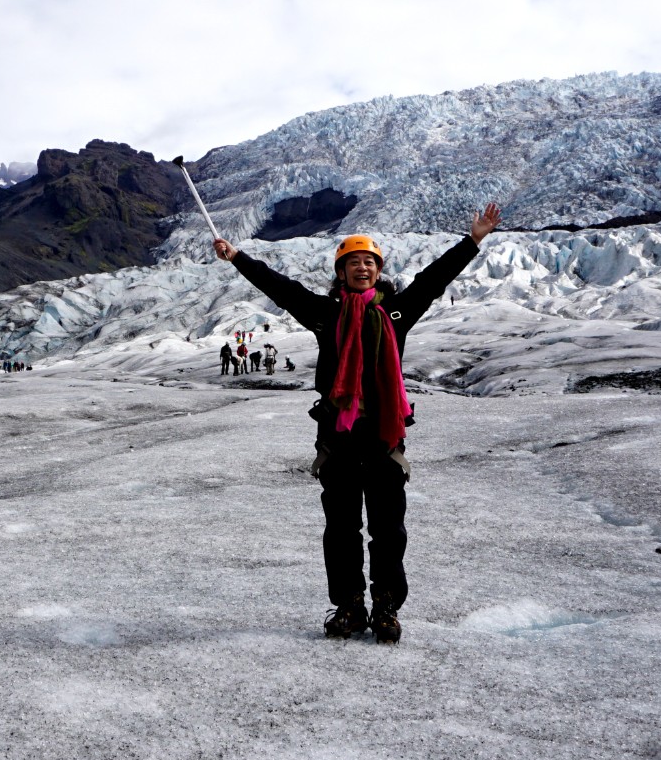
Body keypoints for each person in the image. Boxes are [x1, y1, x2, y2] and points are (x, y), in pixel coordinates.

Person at [213, 205, 501, 645]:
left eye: (369, 262)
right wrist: (237, 257)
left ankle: (385, 607)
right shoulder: (324, 314)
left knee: (388, 529)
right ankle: (349, 605)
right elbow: (280, 287)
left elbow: (432, 280)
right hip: (338, 437)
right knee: (342, 528)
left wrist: (473, 240)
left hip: (384, 436)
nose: (361, 267)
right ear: (341, 272)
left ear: (378, 270)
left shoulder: (397, 313)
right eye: (353, 262)